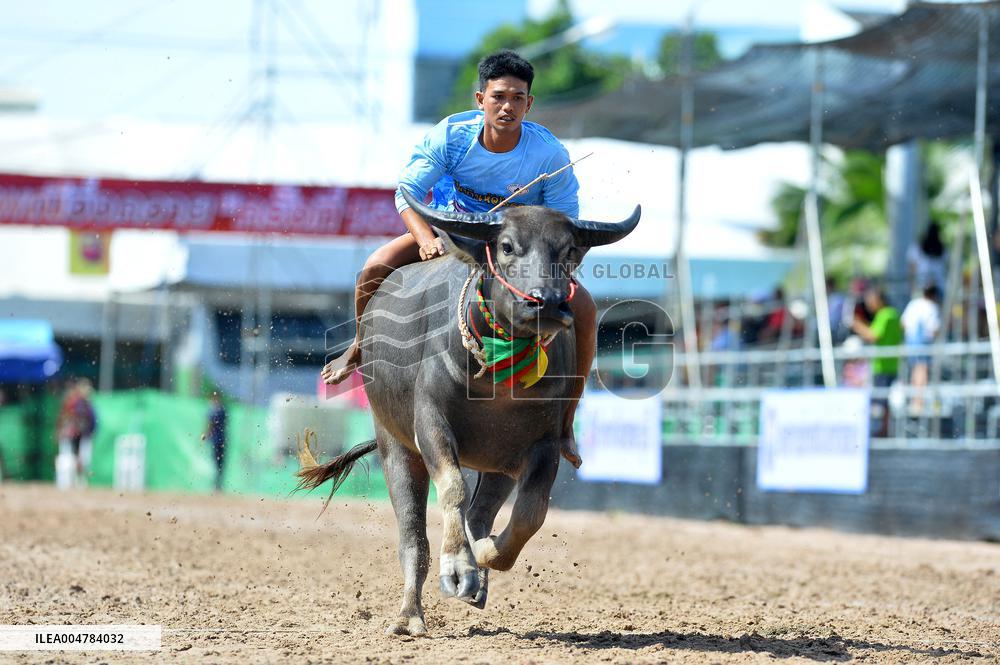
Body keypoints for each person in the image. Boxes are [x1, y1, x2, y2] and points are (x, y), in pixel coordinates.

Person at [320, 50, 593, 467]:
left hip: (519, 254)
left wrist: (552, 266)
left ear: (529, 104)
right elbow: (407, 194)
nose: (508, 106)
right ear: (480, 99)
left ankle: (565, 424)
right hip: (453, 236)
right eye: (499, 96)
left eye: (518, 98)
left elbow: (566, 225)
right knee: (375, 266)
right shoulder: (451, 137)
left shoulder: (548, 154)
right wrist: (426, 238)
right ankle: (359, 345)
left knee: (586, 308)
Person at [851, 287, 903, 436]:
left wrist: (856, 324)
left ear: (878, 300)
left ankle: (880, 431)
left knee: (880, 401)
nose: (868, 305)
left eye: (870, 301)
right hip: (893, 363)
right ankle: (884, 430)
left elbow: (873, 335)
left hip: (882, 365)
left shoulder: (884, 314)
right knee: (885, 402)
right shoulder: (894, 314)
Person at [900, 284, 941, 411]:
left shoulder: (914, 304)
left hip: (910, 341)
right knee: (921, 370)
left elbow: (903, 323)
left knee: (914, 370)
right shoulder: (932, 307)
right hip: (922, 342)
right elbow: (933, 329)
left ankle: (914, 401)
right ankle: (918, 402)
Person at [56, 379, 97, 485]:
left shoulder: (86, 405)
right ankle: (69, 481)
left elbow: (90, 422)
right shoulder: (75, 404)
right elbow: (65, 420)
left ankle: (77, 481)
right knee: (70, 459)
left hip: (81, 435)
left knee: (80, 459)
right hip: (74, 436)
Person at [204, 393, 227, 491]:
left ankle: (217, 485)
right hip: (220, 440)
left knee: (218, 462)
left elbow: (211, 424)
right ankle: (217, 484)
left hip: (217, 440)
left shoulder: (216, 411)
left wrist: (206, 434)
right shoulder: (223, 410)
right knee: (219, 463)